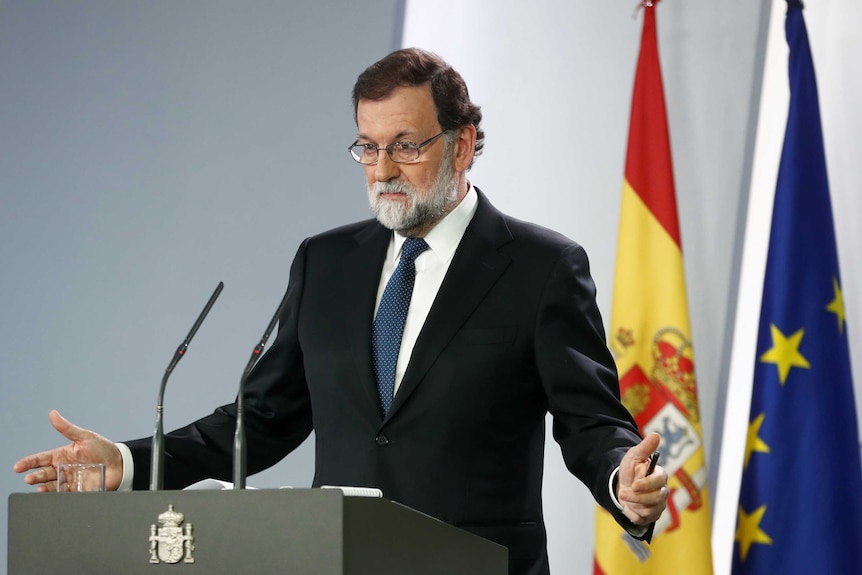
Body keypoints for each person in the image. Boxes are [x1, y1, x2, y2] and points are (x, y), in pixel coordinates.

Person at [15, 48, 668, 575]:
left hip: (479, 563)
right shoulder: (326, 263)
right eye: (367, 146)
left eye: (406, 146)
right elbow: (261, 420)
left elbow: (591, 420)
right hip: (339, 562)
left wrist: (622, 480)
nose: (382, 168)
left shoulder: (538, 266)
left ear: (464, 145)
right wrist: (128, 463)